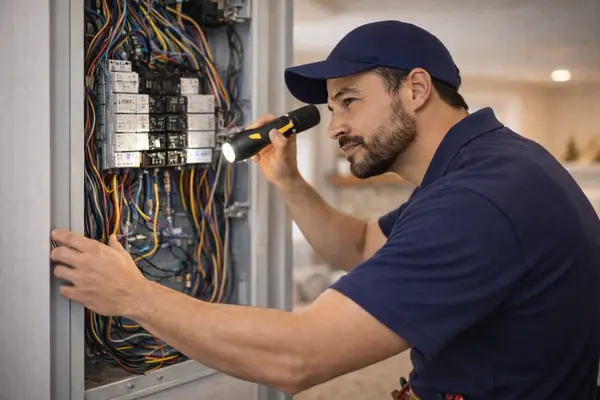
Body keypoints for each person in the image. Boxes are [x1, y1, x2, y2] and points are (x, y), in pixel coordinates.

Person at [50, 20, 600, 399]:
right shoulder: (489, 167)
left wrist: (133, 296)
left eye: (349, 101)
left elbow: (297, 359)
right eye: (332, 106)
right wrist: (288, 181)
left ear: (415, 89)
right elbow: (361, 247)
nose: (335, 126)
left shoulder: (479, 202)